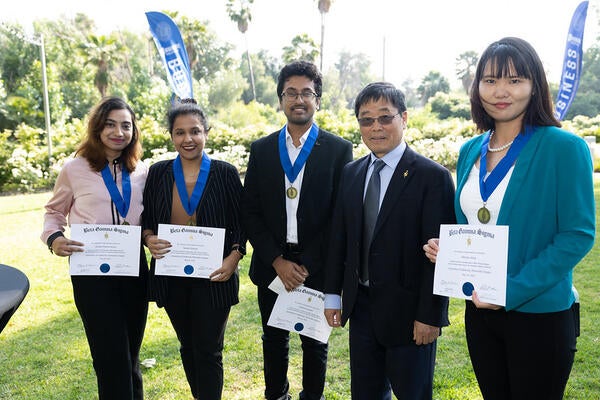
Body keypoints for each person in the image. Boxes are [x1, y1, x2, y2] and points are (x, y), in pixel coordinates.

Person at [423, 37, 595, 399]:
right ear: (477, 87)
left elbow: (577, 235)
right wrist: (450, 251)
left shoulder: (564, 148)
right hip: (480, 313)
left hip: (539, 314)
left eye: (515, 80)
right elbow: (475, 224)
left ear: (534, 85)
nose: (501, 90)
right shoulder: (470, 150)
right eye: (490, 80)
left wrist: (510, 290)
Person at [324, 82, 456, 399]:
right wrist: (332, 294)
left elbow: (440, 254)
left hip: (411, 315)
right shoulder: (352, 173)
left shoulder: (431, 177)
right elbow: (339, 238)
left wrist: (430, 315)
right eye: (366, 120)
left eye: (385, 117)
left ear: (404, 118)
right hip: (362, 309)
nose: (376, 127)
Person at [242, 60, 353, 400]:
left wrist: (307, 265)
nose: (299, 99)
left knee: (314, 340)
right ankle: (276, 394)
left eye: (307, 92)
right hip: (272, 262)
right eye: (291, 92)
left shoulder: (338, 150)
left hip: (315, 266)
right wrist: (277, 261)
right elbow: (250, 211)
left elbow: (340, 216)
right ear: (280, 99)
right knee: (273, 336)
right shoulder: (262, 149)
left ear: (318, 99)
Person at [41, 96, 148, 400]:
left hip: (134, 270)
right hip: (92, 274)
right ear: (98, 128)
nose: (118, 132)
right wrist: (54, 238)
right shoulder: (74, 169)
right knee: (109, 355)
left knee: (130, 354)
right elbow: (53, 212)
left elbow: (148, 217)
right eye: (111, 124)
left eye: (126, 125)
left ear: (133, 131)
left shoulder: (141, 171)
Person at [141, 98, 244, 400]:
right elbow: (147, 219)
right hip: (171, 275)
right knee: (188, 346)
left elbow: (241, 222)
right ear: (171, 136)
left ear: (206, 133)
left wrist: (233, 258)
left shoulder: (225, 173)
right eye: (180, 132)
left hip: (214, 274)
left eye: (195, 131)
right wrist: (148, 238)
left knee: (209, 350)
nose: (188, 139)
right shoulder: (158, 172)